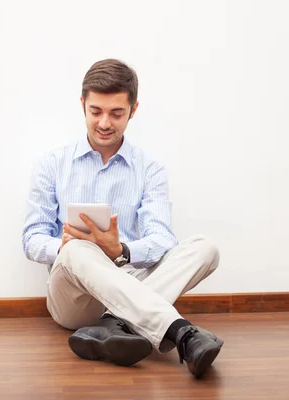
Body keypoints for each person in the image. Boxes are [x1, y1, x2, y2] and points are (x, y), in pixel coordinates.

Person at [22, 59, 223, 379]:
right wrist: (63, 246)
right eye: (96, 111)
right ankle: (182, 333)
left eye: (116, 113)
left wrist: (121, 251)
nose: (104, 122)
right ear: (82, 105)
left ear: (133, 109)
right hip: (75, 298)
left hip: (131, 279)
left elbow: (162, 239)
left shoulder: (149, 168)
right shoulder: (52, 164)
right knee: (78, 249)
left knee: (205, 248)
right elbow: (31, 238)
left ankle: (112, 326)